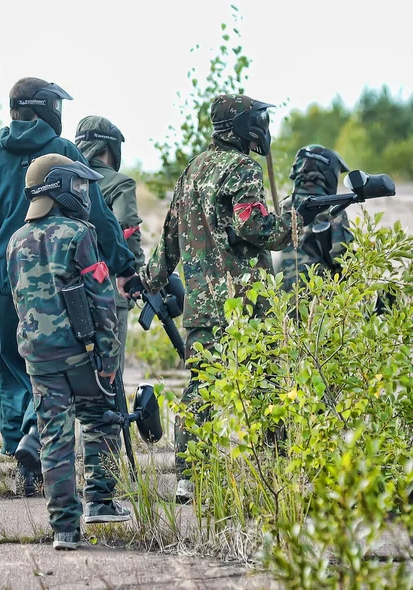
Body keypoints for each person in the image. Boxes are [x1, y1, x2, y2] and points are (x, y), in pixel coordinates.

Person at [124, 94, 320, 502]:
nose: (264, 129)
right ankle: (277, 469)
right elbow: (255, 227)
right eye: (259, 121)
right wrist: (297, 219)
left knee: (201, 387)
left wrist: (147, 280)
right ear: (243, 126)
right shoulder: (243, 167)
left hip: (201, 308)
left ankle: (187, 478)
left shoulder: (193, 170)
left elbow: (169, 244)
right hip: (245, 305)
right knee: (266, 384)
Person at [0, 77, 135, 494]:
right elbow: (98, 215)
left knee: (15, 368)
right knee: (58, 366)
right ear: (44, 109)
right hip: (59, 280)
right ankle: (36, 440)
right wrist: (123, 263)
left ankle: (23, 457)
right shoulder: (64, 153)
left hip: (5, 279)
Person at [7, 153, 131, 550]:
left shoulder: (15, 240)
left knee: (53, 435)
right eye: (77, 185)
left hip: (38, 357)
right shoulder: (79, 234)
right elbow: (102, 300)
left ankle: (64, 528)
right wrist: (109, 360)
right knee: (101, 416)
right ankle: (101, 502)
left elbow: (17, 301)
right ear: (58, 187)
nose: (82, 192)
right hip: (80, 353)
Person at [75, 116, 144, 373]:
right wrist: (136, 271)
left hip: (68, 291)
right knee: (109, 374)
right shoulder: (120, 183)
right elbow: (127, 228)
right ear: (111, 148)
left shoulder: (64, 178)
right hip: (110, 289)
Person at [278, 145, 353, 291]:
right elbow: (342, 258)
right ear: (328, 174)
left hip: (280, 296)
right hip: (316, 295)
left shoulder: (283, 205)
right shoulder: (333, 209)